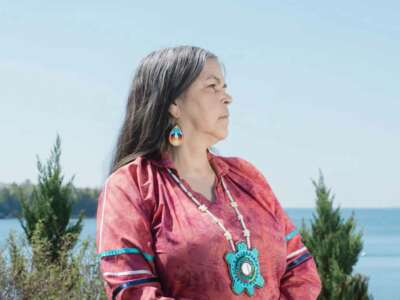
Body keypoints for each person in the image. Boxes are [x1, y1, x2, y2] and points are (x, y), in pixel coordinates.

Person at [96, 45, 322, 300]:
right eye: (212, 87)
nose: (227, 97)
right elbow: (132, 291)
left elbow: (300, 268)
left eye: (224, 88)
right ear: (173, 104)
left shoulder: (246, 177)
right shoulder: (131, 186)